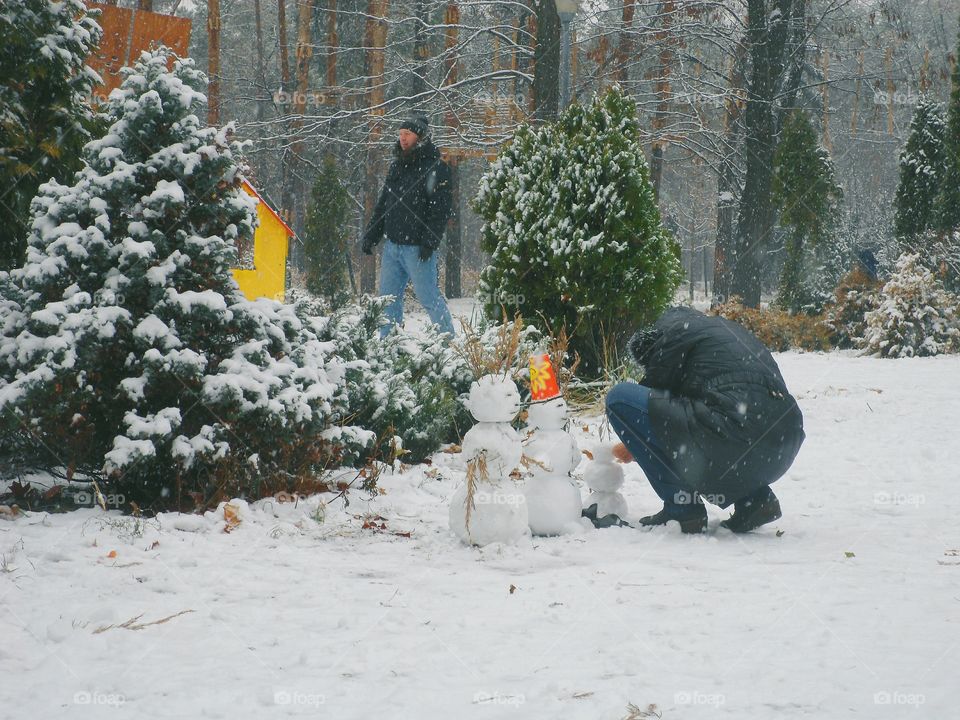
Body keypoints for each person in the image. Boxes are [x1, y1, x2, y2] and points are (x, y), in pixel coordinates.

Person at [602, 306, 805, 534]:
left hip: (734, 434)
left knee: (620, 399)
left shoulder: (676, 335)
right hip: (783, 442)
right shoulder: (731, 332)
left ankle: (682, 508)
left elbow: (653, 410)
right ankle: (756, 501)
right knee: (730, 423)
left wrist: (634, 442)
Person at [361, 114, 455, 338]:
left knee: (429, 298)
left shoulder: (436, 168)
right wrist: (371, 235)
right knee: (387, 301)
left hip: (418, 249)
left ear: (420, 137)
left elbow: (440, 210)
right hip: (392, 248)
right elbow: (384, 203)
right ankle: (388, 346)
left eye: (408, 134)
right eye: (400, 134)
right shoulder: (396, 167)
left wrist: (429, 242)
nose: (402, 138)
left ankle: (448, 344)